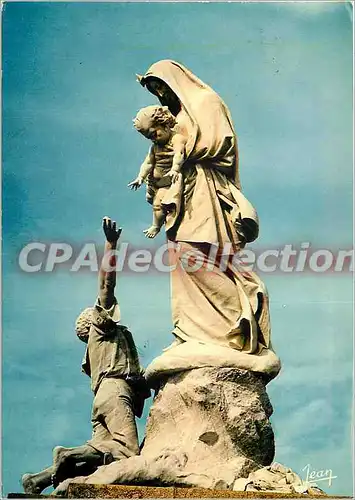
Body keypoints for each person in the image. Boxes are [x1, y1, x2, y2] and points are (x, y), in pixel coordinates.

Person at [137, 60, 273, 357]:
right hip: (181, 193)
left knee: (195, 251)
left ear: (173, 80)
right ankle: (194, 332)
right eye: (154, 91)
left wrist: (183, 154)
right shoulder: (174, 117)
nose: (160, 94)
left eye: (161, 86)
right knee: (182, 257)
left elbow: (223, 144)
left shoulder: (205, 101)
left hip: (204, 188)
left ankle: (237, 317)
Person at [22, 217, 150, 495]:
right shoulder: (101, 328)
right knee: (128, 453)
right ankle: (67, 454)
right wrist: (111, 244)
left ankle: (38, 480)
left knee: (100, 461)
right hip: (116, 393)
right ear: (93, 319)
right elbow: (106, 286)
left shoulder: (95, 350)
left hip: (103, 398)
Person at [128, 105, 187, 238]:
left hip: (168, 183)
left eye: (155, 134)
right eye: (150, 137)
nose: (154, 139)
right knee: (156, 203)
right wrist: (140, 177)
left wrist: (175, 169)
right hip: (155, 184)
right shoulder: (155, 147)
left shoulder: (176, 139)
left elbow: (179, 154)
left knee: (159, 204)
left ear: (165, 125)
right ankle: (156, 224)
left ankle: (156, 226)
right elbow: (148, 163)